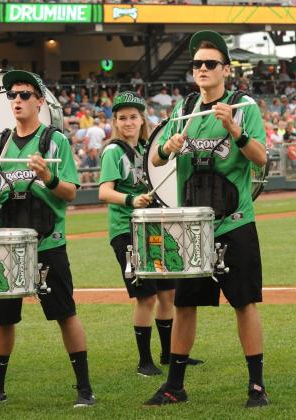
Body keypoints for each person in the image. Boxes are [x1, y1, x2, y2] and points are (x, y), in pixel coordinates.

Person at [144, 30, 269, 408]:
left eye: (210, 63)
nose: (201, 69)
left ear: (226, 70)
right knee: (185, 305)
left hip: (234, 221)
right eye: (196, 64)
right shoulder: (184, 110)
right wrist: (167, 147)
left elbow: (262, 158)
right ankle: (175, 385)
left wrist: (236, 130)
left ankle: (257, 386)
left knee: (243, 304)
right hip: (193, 227)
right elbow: (156, 161)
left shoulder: (244, 105)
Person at [0, 70, 95, 408]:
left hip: (48, 242)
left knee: (65, 313)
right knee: (3, 317)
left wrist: (48, 177)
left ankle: (84, 388)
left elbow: (69, 194)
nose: (17, 100)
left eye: (24, 94)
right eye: (12, 95)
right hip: (9, 246)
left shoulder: (55, 141)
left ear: (39, 101)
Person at [98, 92, 202, 377]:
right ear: (116, 122)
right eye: (122, 118)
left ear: (142, 119)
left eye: (133, 117)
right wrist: (132, 200)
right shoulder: (113, 152)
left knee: (168, 292)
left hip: (154, 226)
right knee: (146, 297)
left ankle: (168, 354)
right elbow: (104, 191)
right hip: (127, 230)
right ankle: (144, 361)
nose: (128, 122)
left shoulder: (148, 148)